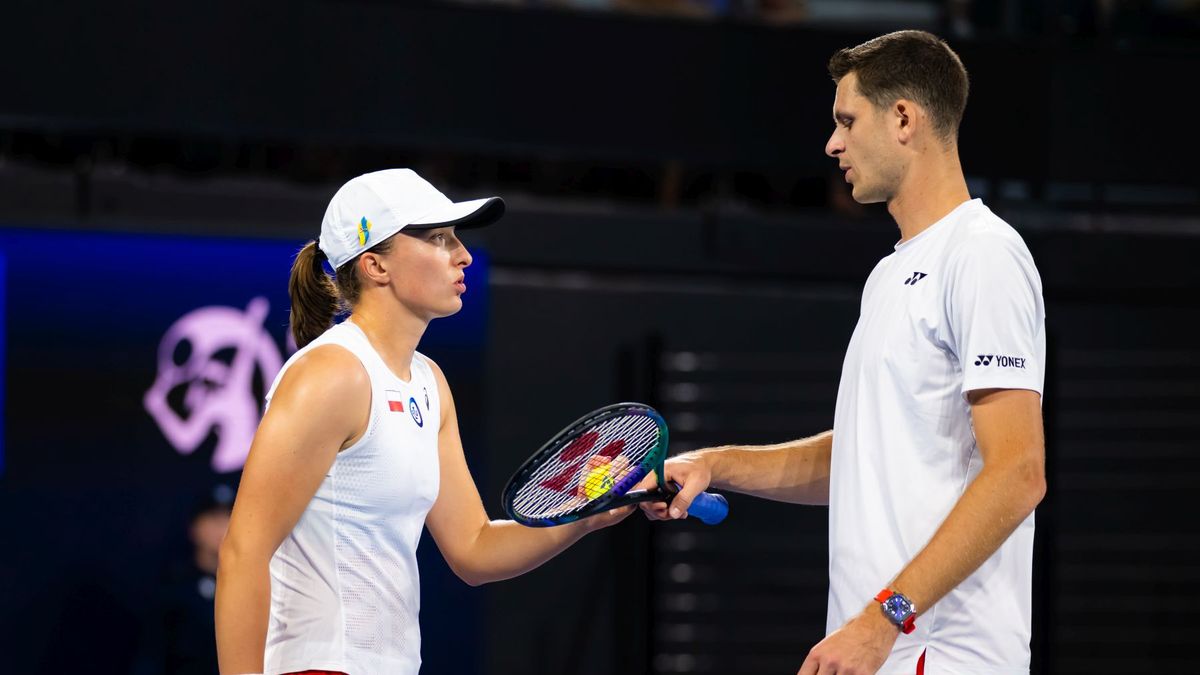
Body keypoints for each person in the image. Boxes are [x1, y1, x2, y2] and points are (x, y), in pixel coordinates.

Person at [641, 31, 1047, 675]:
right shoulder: (890, 274)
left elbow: (1019, 473)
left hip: (936, 653)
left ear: (904, 119)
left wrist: (884, 617)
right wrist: (715, 465)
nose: (833, 144)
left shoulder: (983, 254)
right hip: (878, 647)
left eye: (847, 121)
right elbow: (862, 459)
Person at [215, 169, 632, 675]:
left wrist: (586, 513)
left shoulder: (429, 383)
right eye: (438, 238)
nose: (464, 256)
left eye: (457, 238)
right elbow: (243, 553)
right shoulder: (329, 375)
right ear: (375, 266)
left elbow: (475, 549)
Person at [134, 485, 234, 675]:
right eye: (213, 518)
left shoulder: (259, 587)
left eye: (229, 517)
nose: (222, 527)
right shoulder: (173, 588)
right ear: (194, 527)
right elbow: (152, 656)